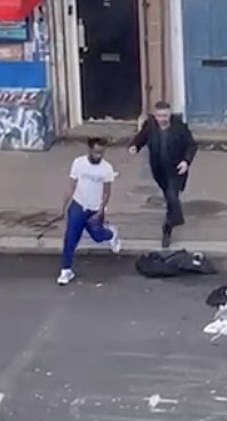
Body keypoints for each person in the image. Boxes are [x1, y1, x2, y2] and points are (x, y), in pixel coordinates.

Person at [128, 100, 198, 248]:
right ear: (155, 115)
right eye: (159, 116)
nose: (162, 119)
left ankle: (169, 225)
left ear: (170, 114)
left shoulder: (179, 127)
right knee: (169, 195)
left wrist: (186, 161)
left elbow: (191, 145)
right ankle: (175, 217)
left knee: (172, 195)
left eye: (165, 115)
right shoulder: (150, 126)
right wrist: (134, 146)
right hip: (159, 170)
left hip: (176, 169)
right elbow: (141, 137)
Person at [57, 137, 121, 286]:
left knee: (98, 236)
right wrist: (63, 208)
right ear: (90, 150)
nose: (98, 156)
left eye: (101, 153)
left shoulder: (107, 168)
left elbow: (107, 192)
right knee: (70, 239)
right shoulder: (79, 163)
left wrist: (101, 209)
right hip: (78, 205)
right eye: (96, 152)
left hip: (94, 209)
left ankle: (111, 234)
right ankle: (66, 270)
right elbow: (71, 186)